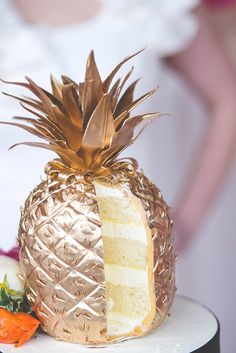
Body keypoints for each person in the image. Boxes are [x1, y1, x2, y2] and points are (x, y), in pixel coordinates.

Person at [0, 1, 236, 351]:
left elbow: (227, 102)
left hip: (135, 247)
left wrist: (184, 222)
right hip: (15, 246)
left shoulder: (156, 6)